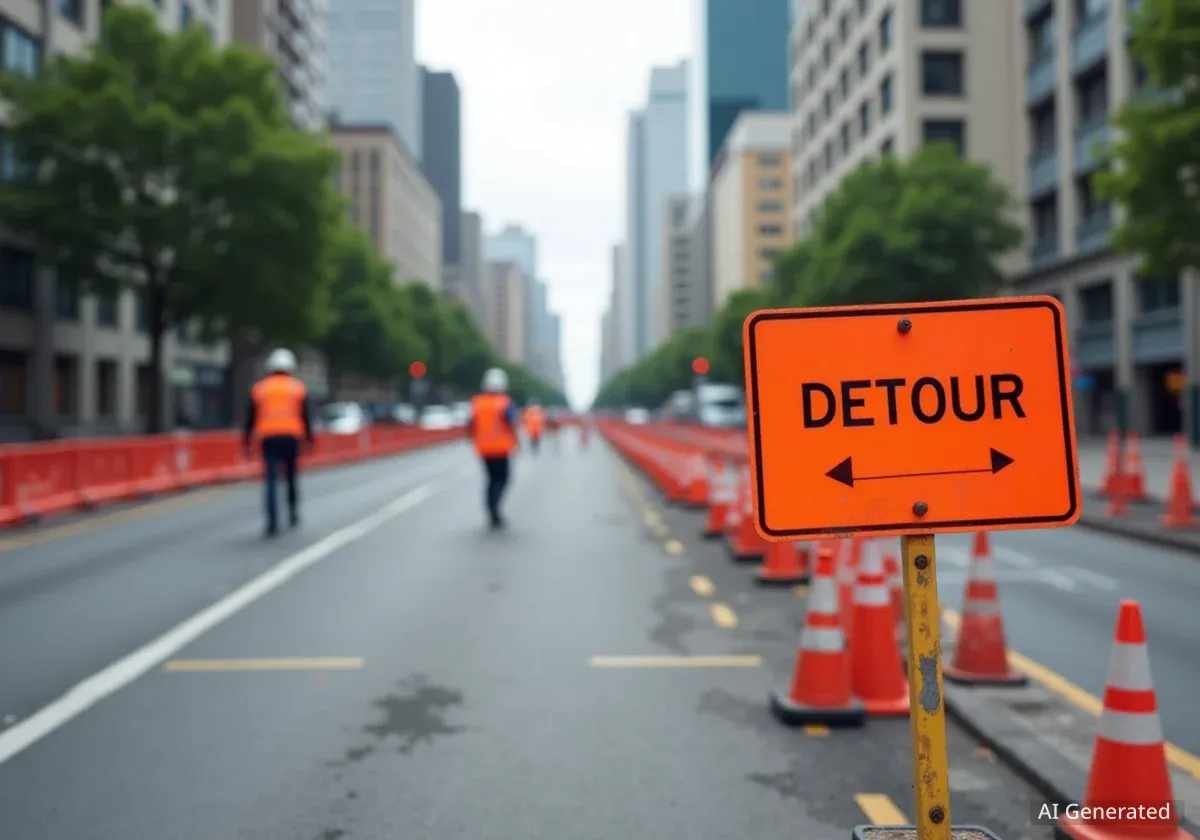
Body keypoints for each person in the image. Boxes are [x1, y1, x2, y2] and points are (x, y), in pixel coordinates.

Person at [243, 348, 314, 537]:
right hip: (291, 437)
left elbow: (250, 419)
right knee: (291, 476)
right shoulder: (297, 387)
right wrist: (309, 439)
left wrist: (247, 443)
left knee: (271, 480)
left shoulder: (260, 388)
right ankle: (292, 513)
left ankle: (272, 521)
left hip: (269, 437)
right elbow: (306, 416)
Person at [469, 367, 519, 529]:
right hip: (502, 448)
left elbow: (471, 425)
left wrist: (475, 441)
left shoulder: (477, 402)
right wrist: (517, 441)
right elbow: (512, 423)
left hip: (483, 448)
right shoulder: (504, 402)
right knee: (502, 479)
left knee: (491, 480)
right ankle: (494, 510)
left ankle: (491, 510)